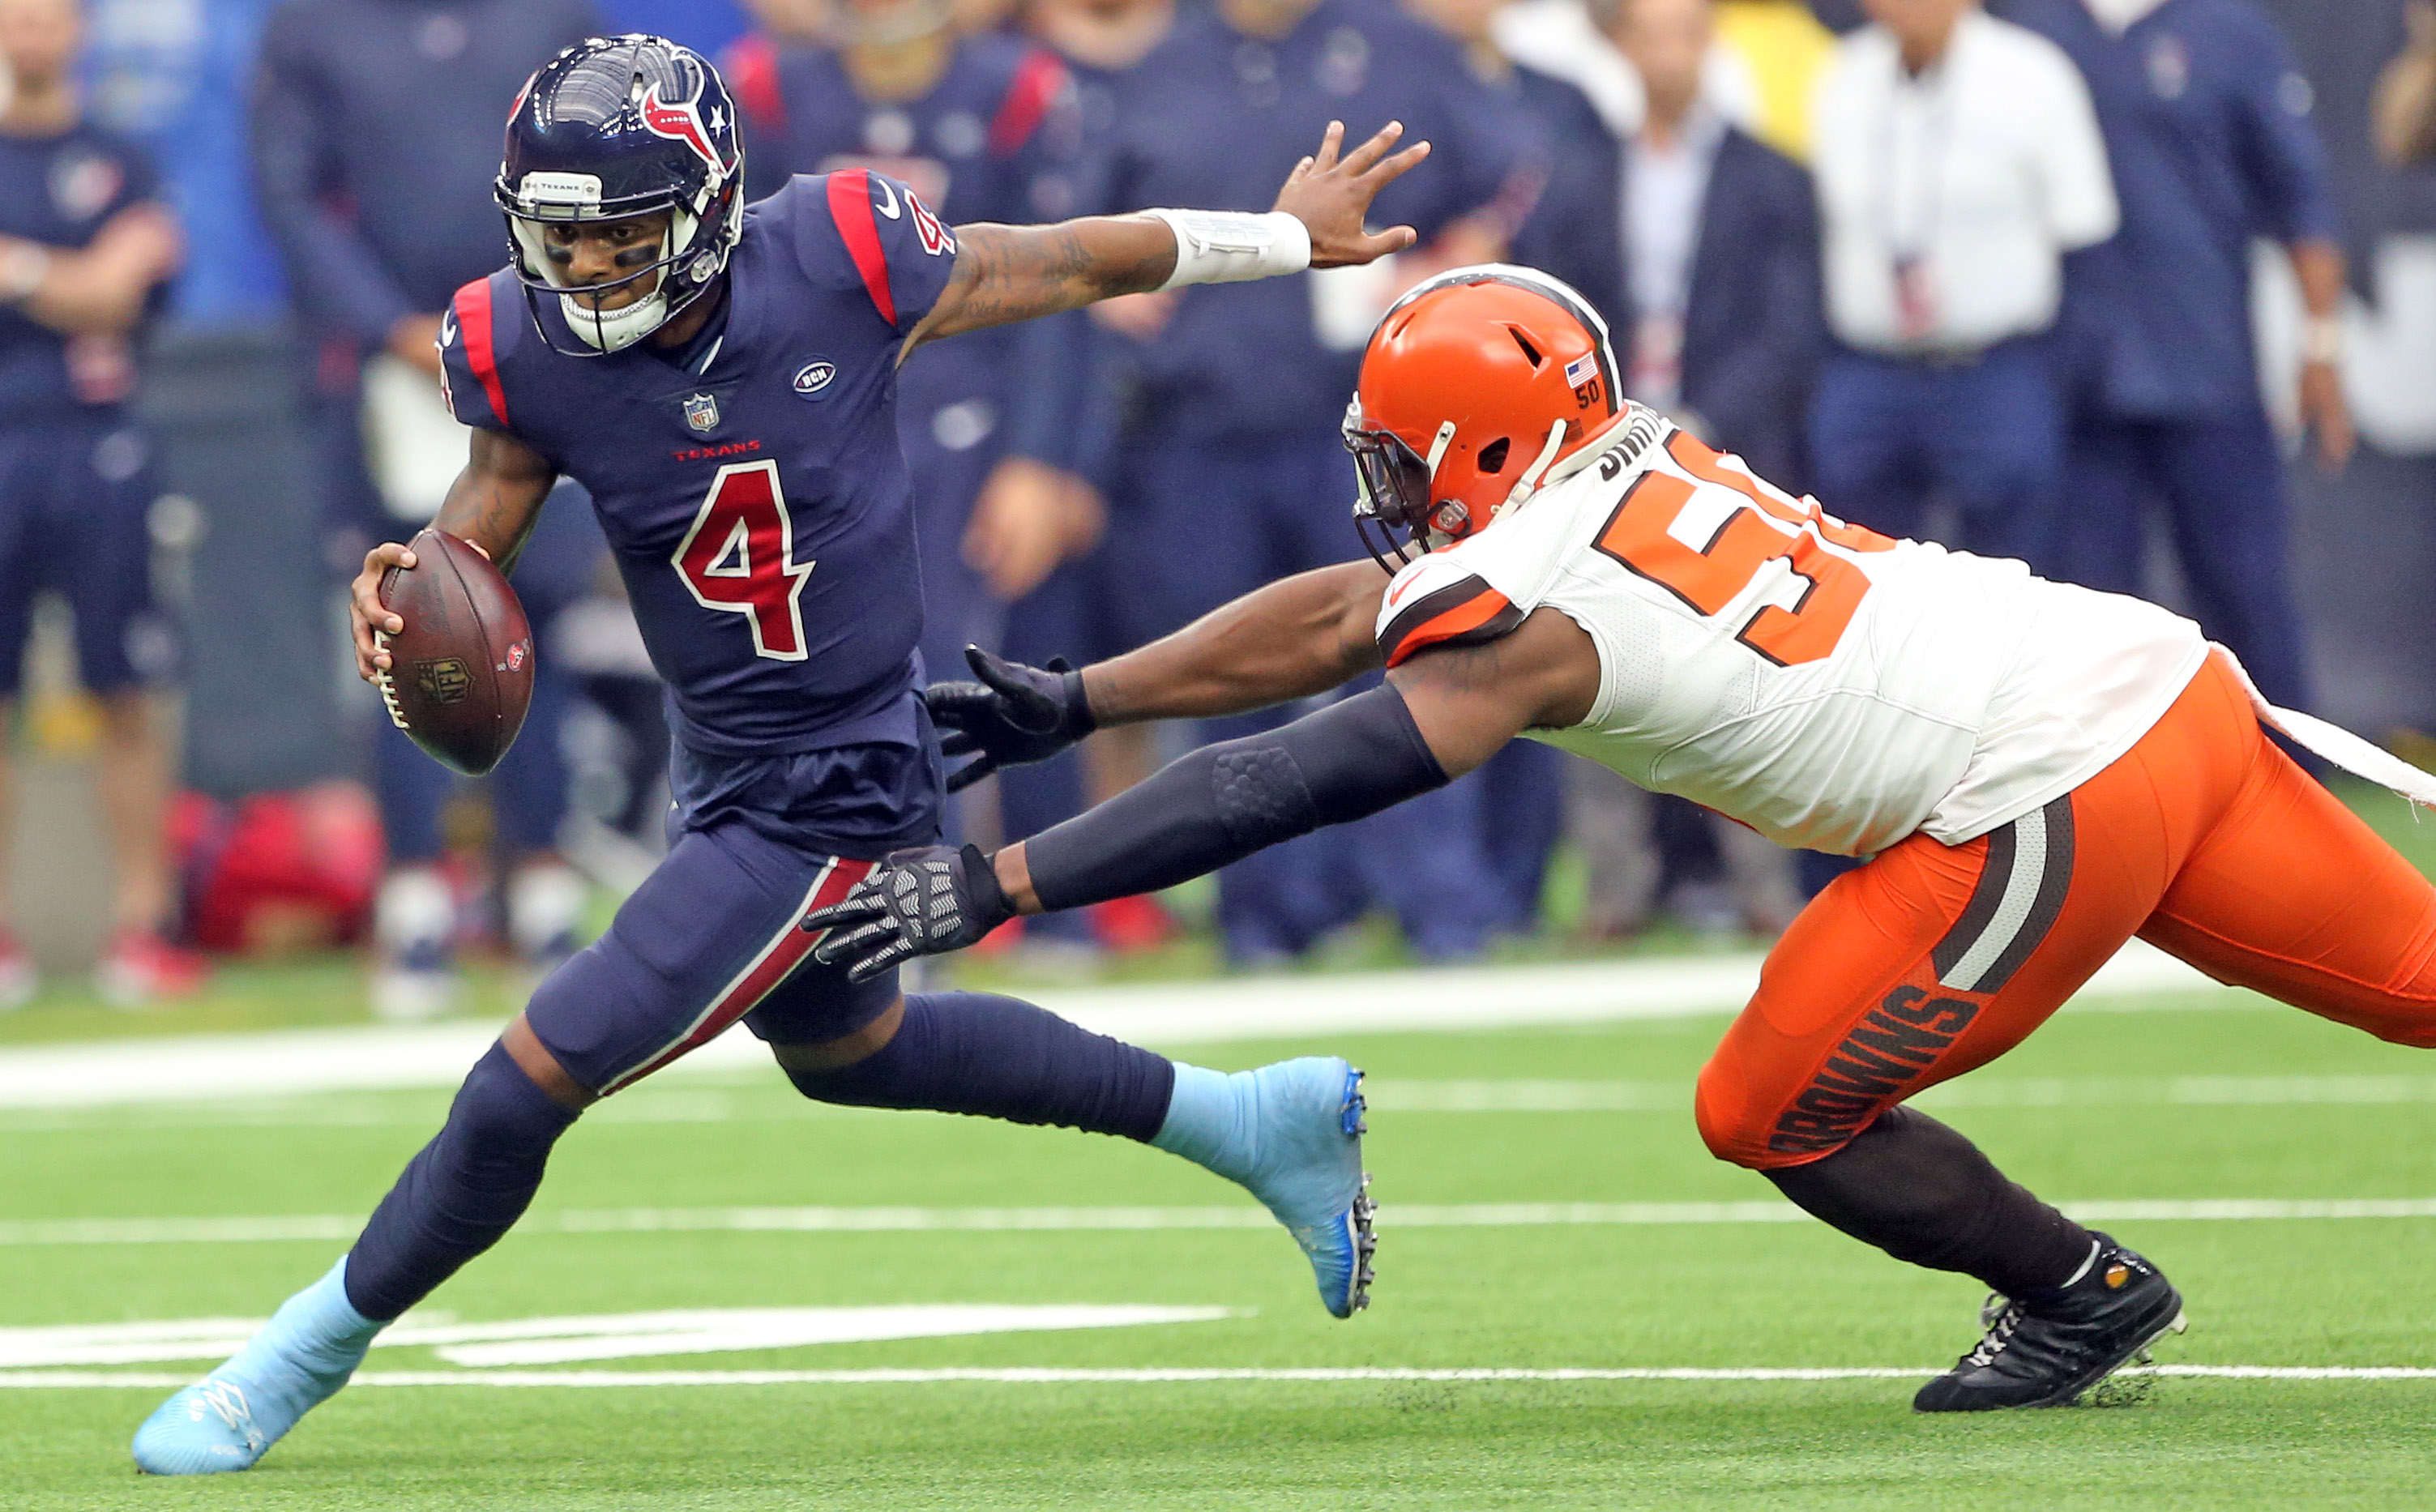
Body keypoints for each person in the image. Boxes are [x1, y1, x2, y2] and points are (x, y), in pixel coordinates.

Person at [129, 36, 1418, 1475]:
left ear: (710, 208)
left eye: (620, 240)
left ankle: (292, 1355)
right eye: (558, 238)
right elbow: (490, 497)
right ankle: (1256, 1122)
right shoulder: (520, 336)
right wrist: (419, 574)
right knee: (853, 1054)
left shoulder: (841, 254)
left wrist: (1284, 235)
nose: (586, 271)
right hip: (724, 766)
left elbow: (1060, 260)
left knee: (521, 1083)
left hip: (842, 780)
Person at [828, 264, 2436, 1412]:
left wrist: (1002, 876)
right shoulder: (1618, 456)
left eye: (1400, 458)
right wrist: (1086, 693)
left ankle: (2079, 1293)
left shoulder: (1526, 614)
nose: (1382, 488)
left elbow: (1291, 777)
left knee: (1772, 1107)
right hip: (2144, 677)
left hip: (2043, 788)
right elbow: (1338, 614)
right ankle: (2082, 1293)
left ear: (1480, 449)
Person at [1063, 0, 1539, 965]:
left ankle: (1440, 907)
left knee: (1417, 650)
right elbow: (1072, 226)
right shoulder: (1158, 69)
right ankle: (1262, 918)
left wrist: (1470, 251)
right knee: (1234, 672)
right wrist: (1103, 300)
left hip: (1373, 431)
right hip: (1200, 430)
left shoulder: (1399, 44)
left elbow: (1522, 171)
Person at [251, 0, 604, 1018]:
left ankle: (541, 884)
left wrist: (551, 308)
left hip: (537, 341)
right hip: (389, 368)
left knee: (536, 615)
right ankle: (414, 897)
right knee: (407, 617)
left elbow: (600, 155)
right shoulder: (313, 26)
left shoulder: (548, 13)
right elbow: (290, 193)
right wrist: (389, 327)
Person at [1995, 0, 2352, 713]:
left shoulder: (2232, 32)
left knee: (2245, 595)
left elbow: (2301, 197)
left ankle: (2291, 785)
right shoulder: (2027, 26)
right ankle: (2105, 807)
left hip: (2206, 369)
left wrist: (2321, 343)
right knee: (2085, 619)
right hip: (2075, 383)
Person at [0, 0, 196, 1006]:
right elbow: (98, 280)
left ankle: (140, 924)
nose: (33, 29)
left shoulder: (121, 157)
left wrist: (24, 269)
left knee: (123, 684)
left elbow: (127, 295)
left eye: (49, 13)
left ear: (80, 28)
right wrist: (78, 274)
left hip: (103, 443)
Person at [1807, 0, 2116, 569]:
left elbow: (2087, 242)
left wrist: (2058, 380)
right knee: (1855, 573)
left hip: (1995, 370)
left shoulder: (2033, 75)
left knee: (2012, 574)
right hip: (1868, 368)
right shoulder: (1840, 74)